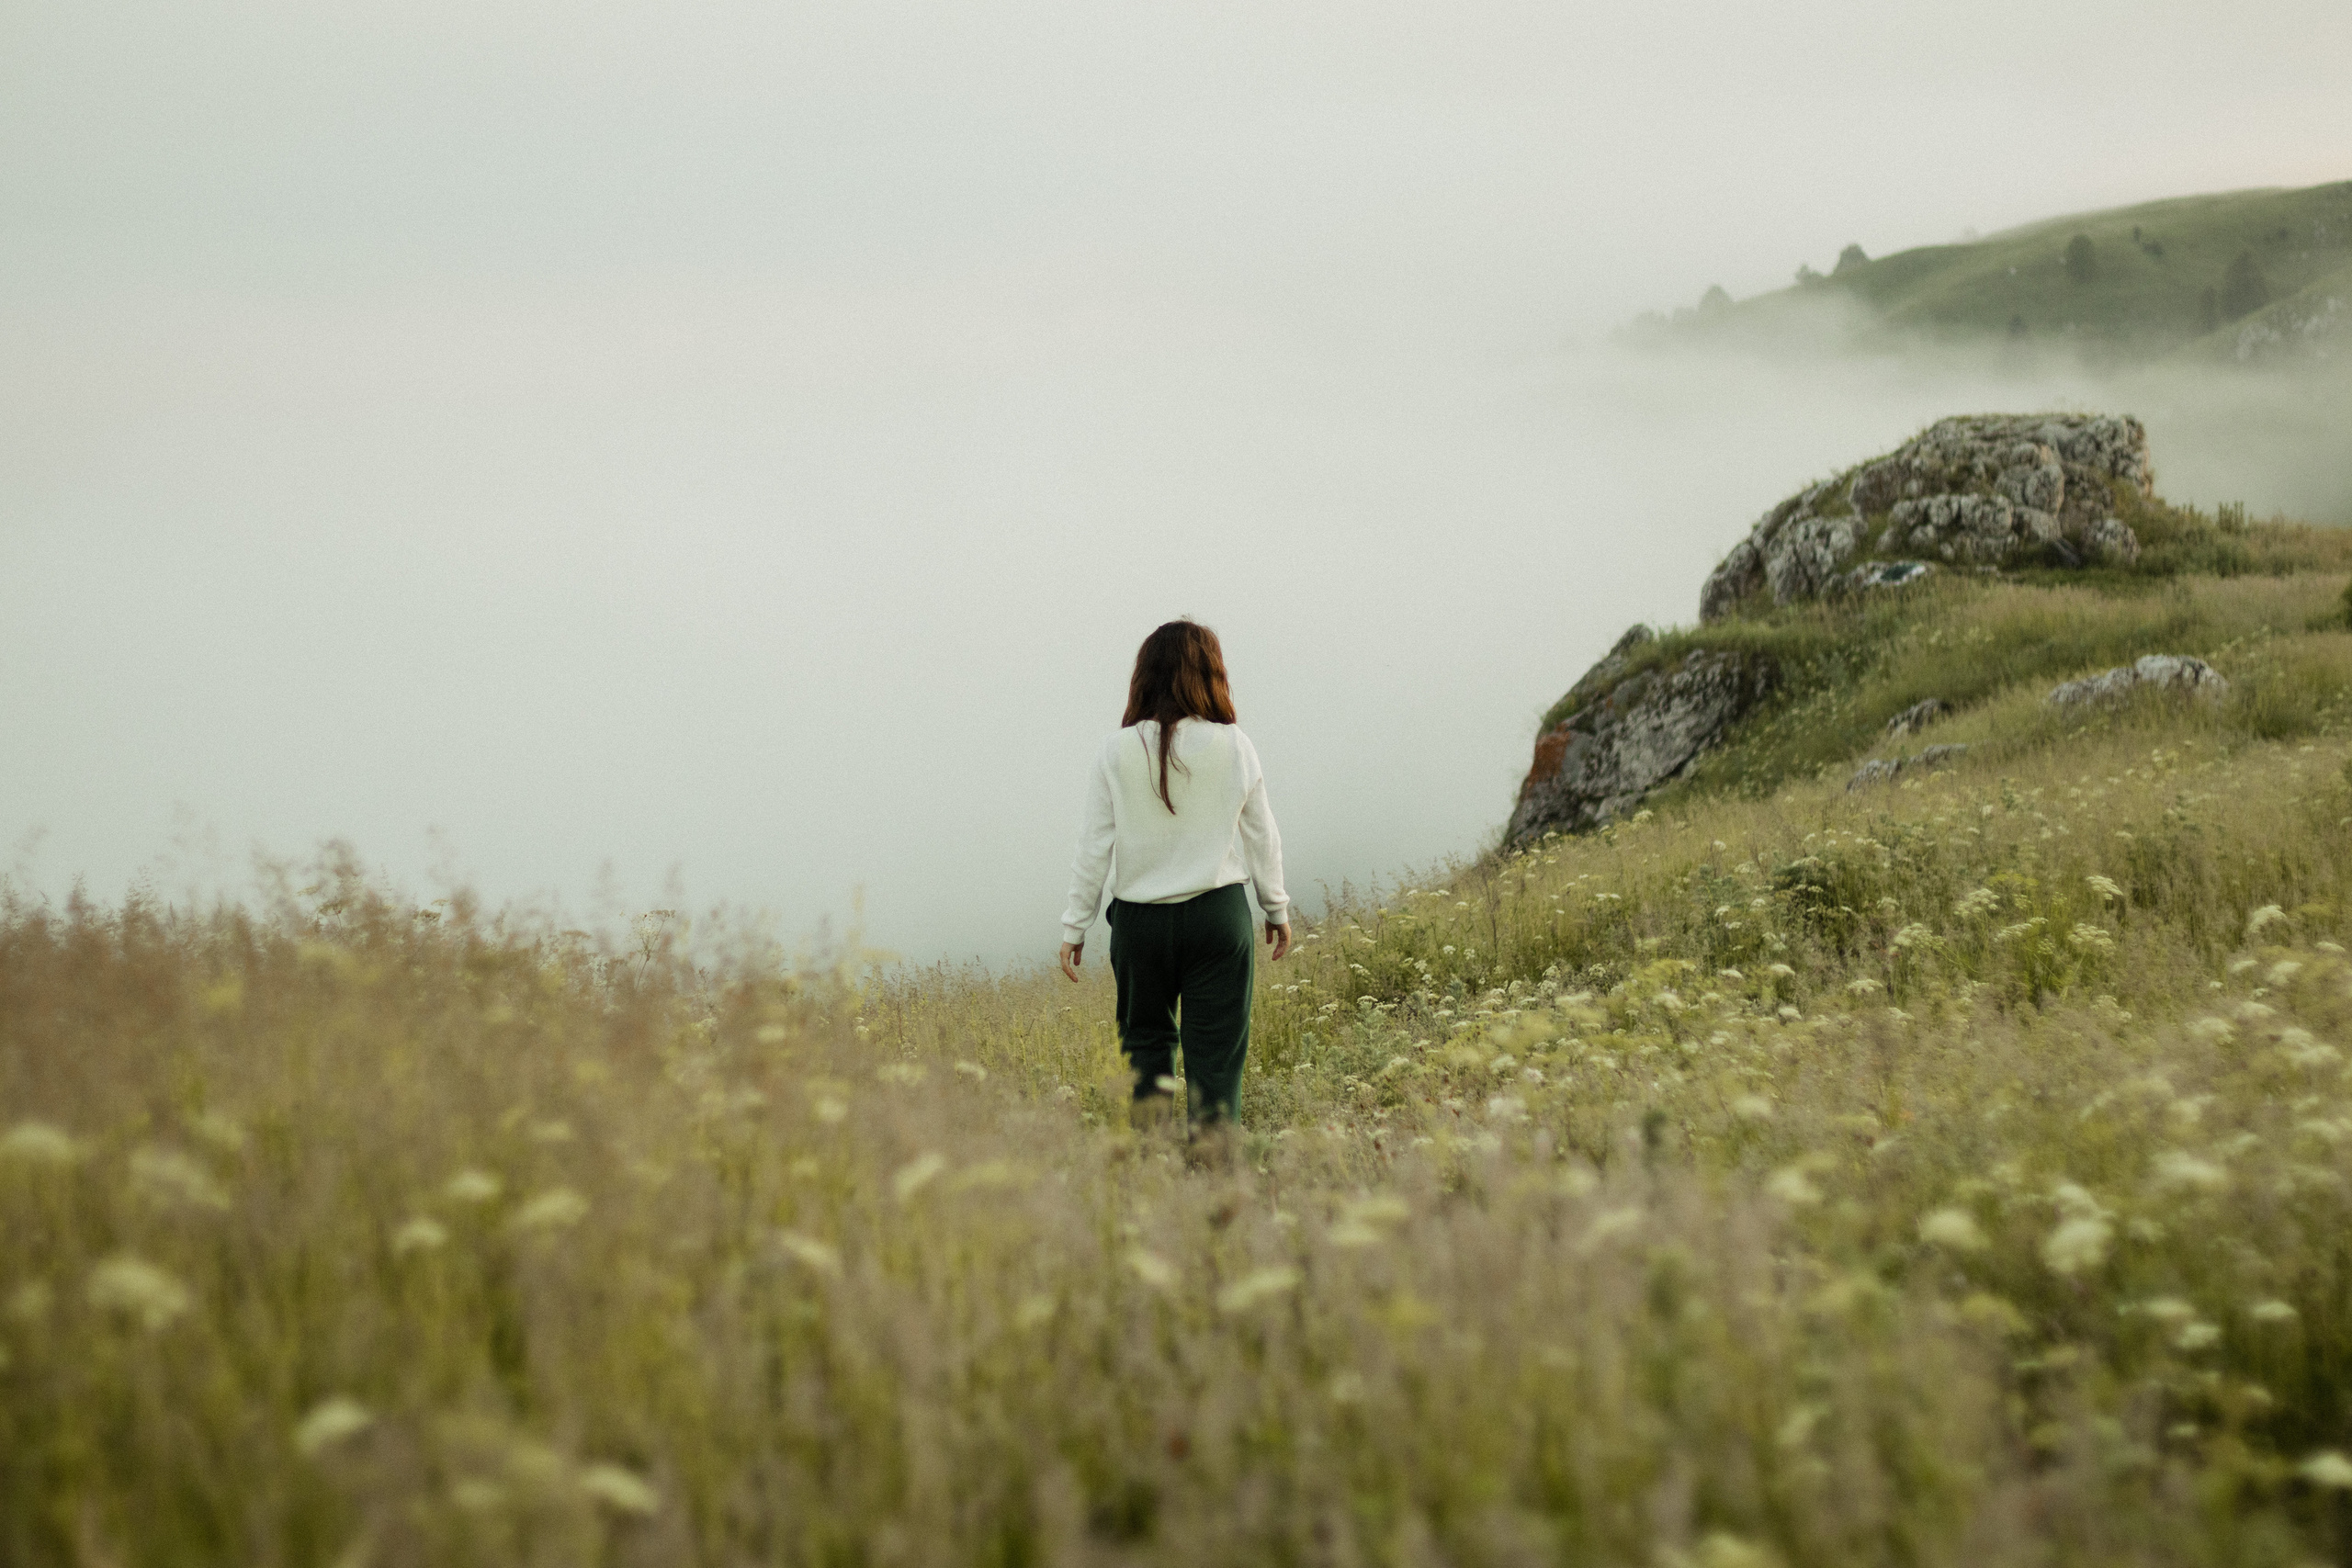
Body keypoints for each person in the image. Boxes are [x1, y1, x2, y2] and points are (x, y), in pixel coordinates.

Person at [1058, 619, 1291, 1145]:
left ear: (1144, 677)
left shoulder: (1114, 751)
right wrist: (1275, 908)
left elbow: (1094, 845)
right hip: (1217, 918)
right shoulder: (1235, 745)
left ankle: (1151, 1180)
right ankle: (1213, 1186)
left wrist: (1076, 925)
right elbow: (1262, 836)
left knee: (1144, 1051)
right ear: (1210, 675)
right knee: (1215, 1060)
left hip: (1139, 925)